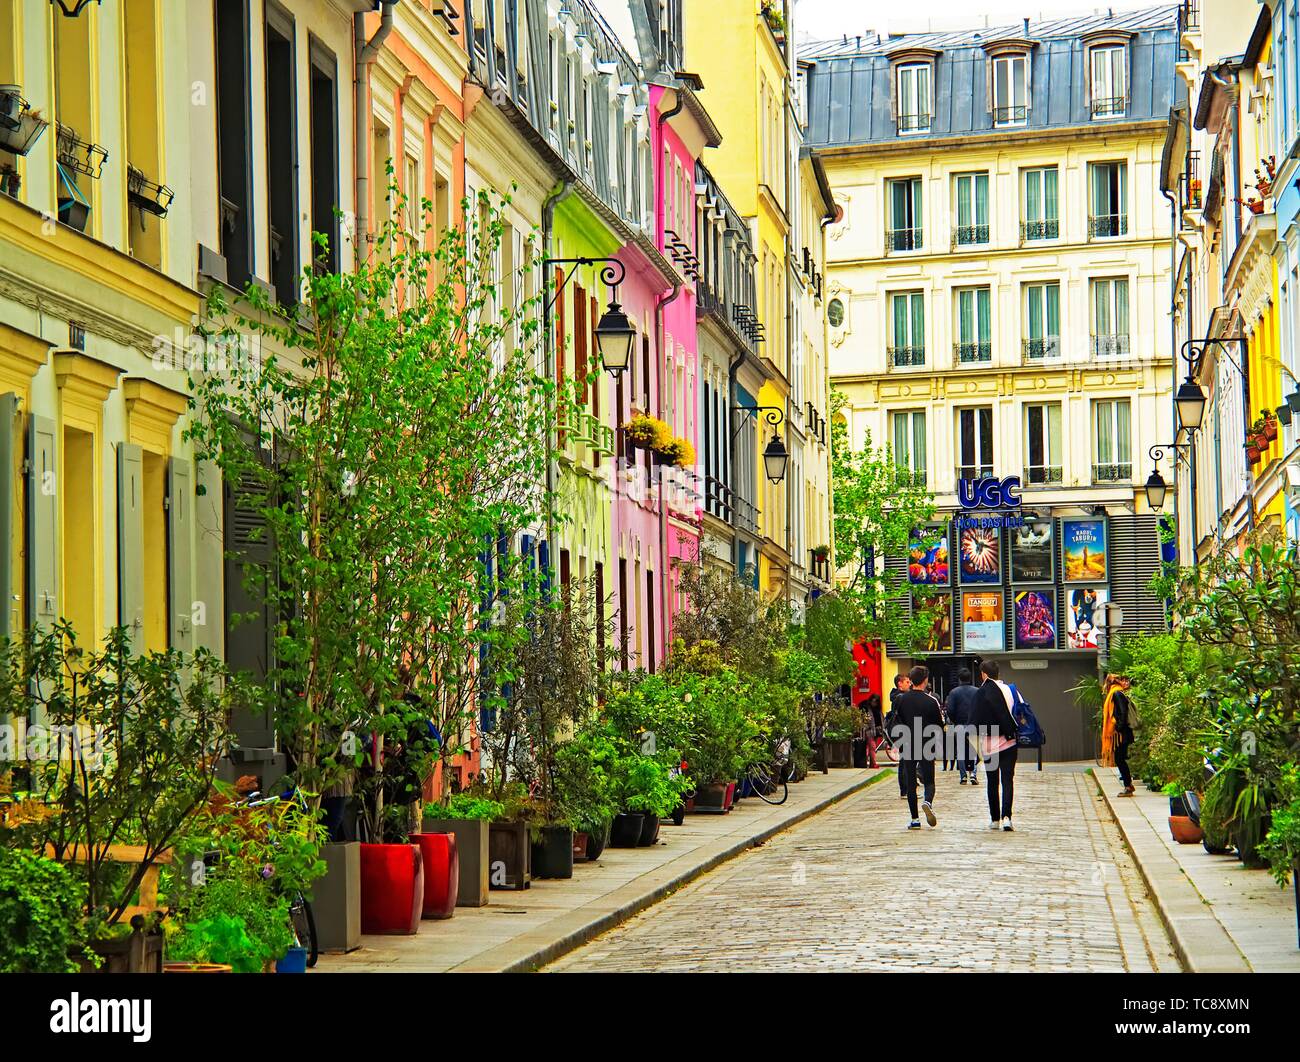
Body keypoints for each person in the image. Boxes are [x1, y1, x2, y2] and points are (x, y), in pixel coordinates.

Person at [889, 665, 943, 829]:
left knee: (911, 783)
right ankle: (927, 802)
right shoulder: (931, 701)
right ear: (925, 681)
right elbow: (939, 726)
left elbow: (894, 721)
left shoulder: (901, 699)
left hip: (907, 744)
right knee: (929, 781)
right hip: (927, 744)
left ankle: (914, 819)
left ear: (911, 680)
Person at [973, 659, 1019, 831]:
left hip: (989, 745)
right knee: (1008, 780)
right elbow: (1018, 711)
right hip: (1009, 742)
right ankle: (1007, 817)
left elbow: (975, 720)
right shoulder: (1010, 690)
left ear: (984, 674)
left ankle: (994, 819)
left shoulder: (981, 693)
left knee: (992, 781)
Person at [943, 667, 980, 784]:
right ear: (970, 678)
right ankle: (973, 774)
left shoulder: (954, 692)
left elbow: (950, 710)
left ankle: (963, 776)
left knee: (960, 751)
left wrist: (955, 721)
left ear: (959, 678)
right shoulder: (977, 691)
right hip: (973, 724)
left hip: (959, 724)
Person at [1101, 674, 1136, 796]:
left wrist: (1118, 728)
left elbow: (1123, 712)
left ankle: (1128, 786)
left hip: (1120, 734)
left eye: (1107, 682)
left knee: (1120, 759)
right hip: (1121, 733)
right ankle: (1128, 785)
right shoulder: (1117, 693)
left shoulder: (1116, 694)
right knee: (1120, 759)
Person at [888, 673, 912, 798]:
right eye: (907, 682)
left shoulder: (899, 696)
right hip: (902, 730)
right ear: (900, 684)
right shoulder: (900, 697)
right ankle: (905, 789)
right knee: (905, 760)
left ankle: (906, 788)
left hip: (901, 730)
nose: (910, 684)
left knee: (906, 759)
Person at [861, 692, 884, 769]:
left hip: (877, 730)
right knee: (872, 747)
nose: (874, 703)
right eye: (873, 701)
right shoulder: (866, 708)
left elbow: (881, 719)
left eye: (875, 702)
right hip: (869, 730)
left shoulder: (878, 709)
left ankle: (871, 763)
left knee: (873, 747)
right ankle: (873, 763)